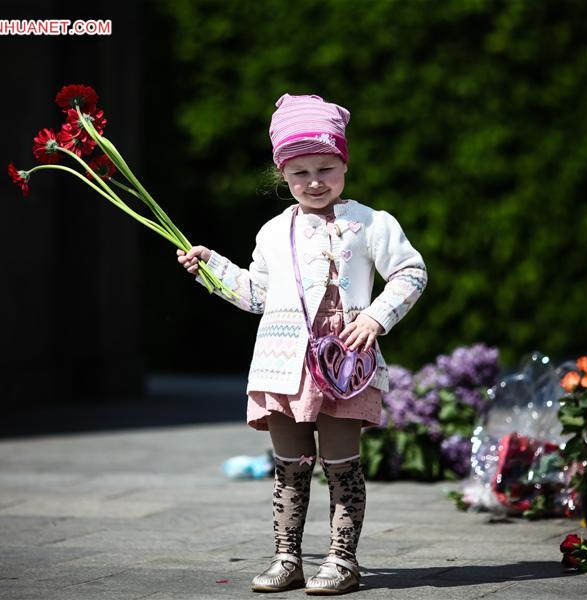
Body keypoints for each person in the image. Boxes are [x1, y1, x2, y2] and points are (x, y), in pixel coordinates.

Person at [177, 93, 427, 594]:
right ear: (282, 175)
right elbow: (257, 295)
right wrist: (212, 269)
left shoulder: (373, 223)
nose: (314, 182)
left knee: (341, 464)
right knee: (289, 466)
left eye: (326, 168)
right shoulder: (272, 232)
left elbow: (411, 272)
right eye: (299, 173)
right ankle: (286, 559)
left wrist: (377, 317)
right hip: (282, 364)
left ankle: (341, 561)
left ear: (344, 165)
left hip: (344, 363)